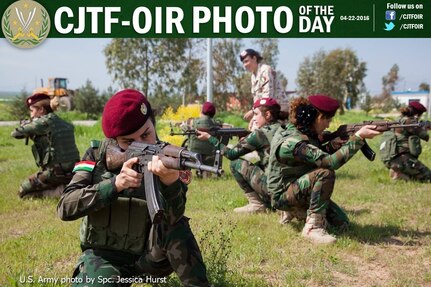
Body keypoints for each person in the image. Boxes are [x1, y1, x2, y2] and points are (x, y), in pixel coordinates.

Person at [57, 89, 209, 286]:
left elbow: (174, 218)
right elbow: (65, 207)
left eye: (146, 134)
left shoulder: (170, 157)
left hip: (149, 258)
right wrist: (114, 185)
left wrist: (170, 183)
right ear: (114, 140)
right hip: (105, 259)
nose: (141, 144)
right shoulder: (97, 155)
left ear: (153, 124)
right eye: (128, 142)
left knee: (176, 225)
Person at [266, 95, 381, 244]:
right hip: (282, 196)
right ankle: (312, 227)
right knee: (324, 173)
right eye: (327, 120)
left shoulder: (305, 133)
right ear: (315, 117)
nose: (328, 125)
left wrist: (333, 145)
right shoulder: (292, 142)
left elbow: (313, 155)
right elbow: (329, 162)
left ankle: (297, 210)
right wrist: (358, 138)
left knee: (342, 224)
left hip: (297, 187)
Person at [197, 98, 288, 213]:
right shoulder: (285, 128)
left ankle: (257, 204)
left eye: (256, 114)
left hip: (274, 188)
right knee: (259, 164)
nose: (253, 118)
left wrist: (210, 139)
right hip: (289, 188)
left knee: (236, 164)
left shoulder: (260, 134)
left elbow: (231, 154)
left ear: (268, 115)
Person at [11, 93, 79, 199]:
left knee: (23, 191)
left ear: (41, 110)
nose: (31, 115)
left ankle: (58, 192)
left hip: (55, 173)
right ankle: (65, 187)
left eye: (32, 110)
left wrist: (27, 125)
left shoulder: (43, 122)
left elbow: (16, 133)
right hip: (73, 172)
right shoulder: (66, 124)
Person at [380, 101, 431, 181]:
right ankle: (400, 175)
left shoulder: (398, 120)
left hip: (391, 159)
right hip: (403, 159)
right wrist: (424, 128)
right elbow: (425, 136)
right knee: (428, 177)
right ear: (417, 114)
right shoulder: (409, 122)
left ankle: (397, 170)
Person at [239, 49, 284, 130]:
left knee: (257, 131)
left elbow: (267, 98)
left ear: (254, 58)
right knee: (253, 130)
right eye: (243, 63)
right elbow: (257, 100)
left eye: (246, 61)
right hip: (266, 112)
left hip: (279, 113)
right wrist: (254, 117)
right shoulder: (253, 76)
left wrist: (253, 113)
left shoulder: (265, 70)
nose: (245, 65)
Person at [187, 101, 221, 178]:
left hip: (194, 154)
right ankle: (206, 172)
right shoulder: (216, 124)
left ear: (202, 111)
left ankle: (198, 171)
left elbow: (185, 129)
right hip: (210, 156)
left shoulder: (193, 122)